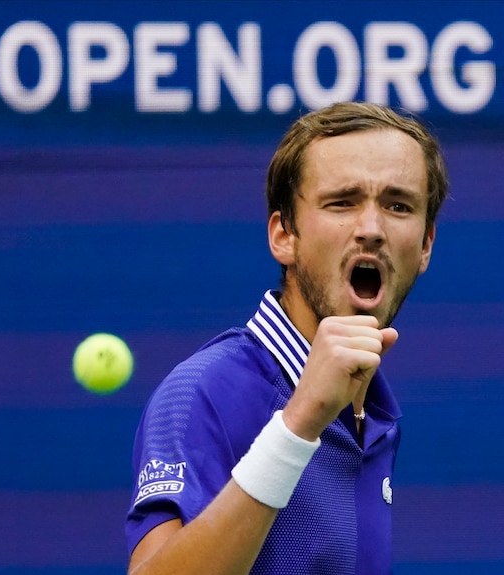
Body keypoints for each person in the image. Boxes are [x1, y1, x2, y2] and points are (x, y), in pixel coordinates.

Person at [125, 101, 449, 575]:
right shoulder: (203, 390)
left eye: (398, 206)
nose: (372, 230)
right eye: (342, 202)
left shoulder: (374, 414)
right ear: (284, 236)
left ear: (425, 246)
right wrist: (298, 424)